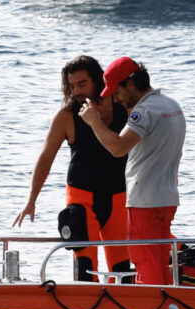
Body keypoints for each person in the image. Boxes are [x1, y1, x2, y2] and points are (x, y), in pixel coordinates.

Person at [13, 55, 131, 282]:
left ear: (98, 81)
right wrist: (31, 199)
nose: (76, 91)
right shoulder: (66, 116)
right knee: (85, 270)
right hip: (81, 199)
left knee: (123, 268)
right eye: (71, 86)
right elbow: (46, 157)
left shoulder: (122, 108)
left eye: (82, 84)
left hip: (118, 197)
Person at [79, 57, 186, 285]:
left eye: (116, 91)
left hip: (144, 202)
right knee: (159, 263)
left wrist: (94, 121)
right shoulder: (170, 105)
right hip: (167, 197)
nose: (115, 98)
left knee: (146, 265)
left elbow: (118, 148)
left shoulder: (144, 112)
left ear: (131, 84)